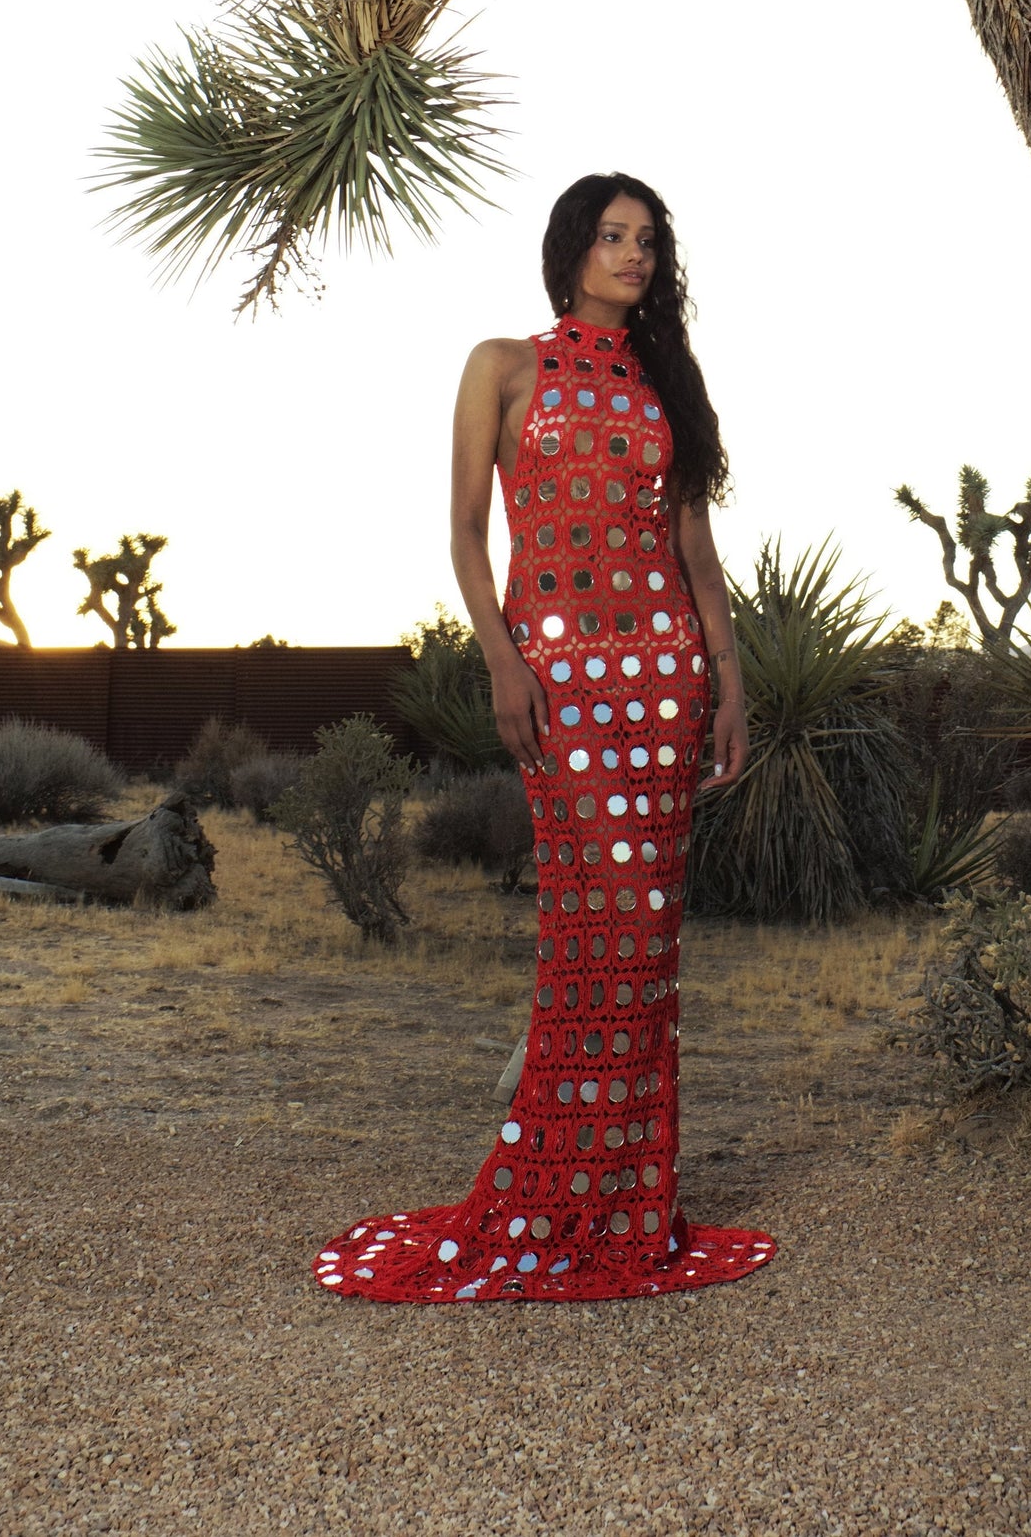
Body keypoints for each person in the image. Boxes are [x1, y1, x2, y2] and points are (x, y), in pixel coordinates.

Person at [313, 174, 777, 1303]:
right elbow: (468, 536)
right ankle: (554, 1186)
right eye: (614, 237)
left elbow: (696, 556)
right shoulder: (503, 365)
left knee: (647, 942)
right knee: (588, 931)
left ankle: (627, 1197)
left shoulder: (666, 380)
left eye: (649, 242)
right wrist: (504, 657)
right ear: (570, 247)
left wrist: (727, 684)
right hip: (560, 678)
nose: (634, 256)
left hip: (663, 676)